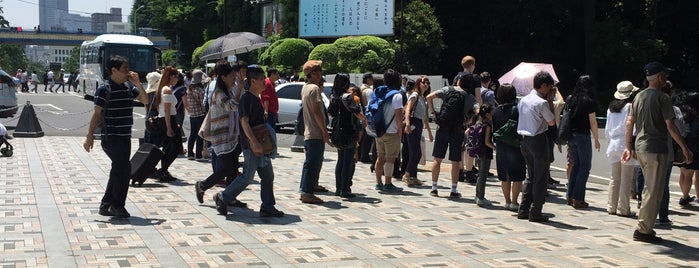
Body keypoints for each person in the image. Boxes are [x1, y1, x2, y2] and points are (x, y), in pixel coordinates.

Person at [622, 62, 692, 243]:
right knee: (654, 191)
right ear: (659, 77)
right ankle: (643, 230)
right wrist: (684, 148)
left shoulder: (638, 97)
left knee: (649, 189)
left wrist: (628, 146)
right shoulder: (663, 98)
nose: (666, 78)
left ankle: (646, 227)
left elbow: (629, 123)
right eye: (664, 75)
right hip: (656, 148)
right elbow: (671, 126)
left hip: (641, 147)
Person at [213, 65, 284, 218]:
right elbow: (244, 121)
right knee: (247, 177)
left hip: (261, 144)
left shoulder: (255, 98)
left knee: (268, 176)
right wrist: (254, 142)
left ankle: (267, 206)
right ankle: (222, 197)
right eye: (261, 79)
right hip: (252, 145)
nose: (265, 82)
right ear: (253, 81)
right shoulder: (247, 99)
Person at [83, 55, 149, 218]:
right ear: (114, 70)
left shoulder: (128, 87)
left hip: (125, 136)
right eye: (125, 69)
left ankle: (106, 205)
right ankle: (117, 205)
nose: (128, 71)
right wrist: (89, 136)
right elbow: (96, 114)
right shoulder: (104, 89)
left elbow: (145, 100)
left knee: (118, 170)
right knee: (124, 169)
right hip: (110, 136)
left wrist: (138, 84)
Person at [196, 60, 246, 207]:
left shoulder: (230, 90)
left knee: (233, 168)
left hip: (233, 134)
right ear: (223, 77)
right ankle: (202, 185)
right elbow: (231, 106)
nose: (234, 78)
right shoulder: (218, 93)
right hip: (221, 136)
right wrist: (239, 90)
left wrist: (239, 88)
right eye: (232, 76)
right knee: (225, 168)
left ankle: (229, 197)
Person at [426, 74, 479, 199]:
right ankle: (453, 190)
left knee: (437, 159)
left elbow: (429, 97)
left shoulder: (447, 90)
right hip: (457, 130)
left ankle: (434, 188)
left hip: (442, 127)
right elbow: (478, 111)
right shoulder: (469, 97)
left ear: (459, 81)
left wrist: (434, 113)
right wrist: (468, 121)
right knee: (455, 161)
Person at [517, 71, 557, 223]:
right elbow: (552, 122)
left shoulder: (523, 100)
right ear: (544, 86)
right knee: (540, 178)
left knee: (530, 176)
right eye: (549, 87)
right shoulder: (542, 103)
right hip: (538, 139)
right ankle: (536, 211)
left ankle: (523, 209)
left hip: (523, 139)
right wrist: (551, 102)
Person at [328, 74, 366, 198]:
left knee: (340, 160)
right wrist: (365, 120)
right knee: (347, 162)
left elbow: (331, 112)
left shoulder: (333, 96)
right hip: (348, 132)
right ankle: (344, 189)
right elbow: (356, 112)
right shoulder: (347, 97)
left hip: (337, 132)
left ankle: (338, 189)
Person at [566, 75, 601, 209]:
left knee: (575, 165)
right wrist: (596, 139)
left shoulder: (571, 99)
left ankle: (570, 195)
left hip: (571, 136)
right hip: (583, 135)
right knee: (585, 167)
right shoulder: (589, 101)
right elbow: (593, 122)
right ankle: (578, 198)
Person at [299, 60, 332, 204]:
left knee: (310, 163)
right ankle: (307, 192)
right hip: (315, 132)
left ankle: (307, 188)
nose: (320, 74)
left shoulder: (306, 87)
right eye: (317, 71)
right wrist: (324, 131)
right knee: (313, 163)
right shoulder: (314, 89)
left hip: (309, 131)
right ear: (311, 74)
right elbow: (317, 112)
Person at [605, 81, 639, 217]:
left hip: (613, 144)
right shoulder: (630, 107)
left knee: (615, 178)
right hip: (625, 144)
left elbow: (607, 130)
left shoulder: (610, 108)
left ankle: (611, 206)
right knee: (626, 178)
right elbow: (633, 129)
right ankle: (623, 208)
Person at [492, 84, 525, 211]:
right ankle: (515, 202)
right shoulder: (517, 109)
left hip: (500, 145)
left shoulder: (495, 111)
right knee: (518, 175)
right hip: (515, 145)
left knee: (504, 175)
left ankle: (507, 201)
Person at [372, 69, 405, 193]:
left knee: (380, 158)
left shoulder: (377, 92)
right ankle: (388, 183)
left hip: (378, 130)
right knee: (390, 159)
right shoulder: (397, 95)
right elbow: (398, 115)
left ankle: (378, 183)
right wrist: (400, 131)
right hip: (392, 132)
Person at [152, 67, 183, 182]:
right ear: (171, 77)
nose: (177, 79)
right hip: (167, 120)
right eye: (176, 77)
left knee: (168, 147)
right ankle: (163, 169)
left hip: (164, 120)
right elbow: (167, 110)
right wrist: (169, 127)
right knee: (175, 146)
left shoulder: (163, 88)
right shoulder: (167, 90)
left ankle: (164, 170)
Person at [402, 76, 432, 186]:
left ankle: (413, 177)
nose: (426, 84)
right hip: (413, 123)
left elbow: (424, 117)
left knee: (415, 152)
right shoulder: (414, 95)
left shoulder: (422, 98)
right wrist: (408, 124)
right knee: (416, 153)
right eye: (424, 82)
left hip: (418, 124)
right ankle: (407, 175)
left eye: (428, 83)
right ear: (418, 83)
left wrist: (429, 131)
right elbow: (408, 110)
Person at [472, 104, 496, 206]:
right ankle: (480, 197)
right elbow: (487, 142)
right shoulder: (488, 125)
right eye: (491, 112)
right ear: (487, 114)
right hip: (485, 152)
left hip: (478, 151)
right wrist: (495, 147)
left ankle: (478, 195)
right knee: (483, 175)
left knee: (480, 175)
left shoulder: (478, 122)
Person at [679, 92, 699, 206]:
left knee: (683, 172)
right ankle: (686, 197)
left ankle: (684, 196)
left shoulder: (683, 113)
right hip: (695, 148)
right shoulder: (697, 116)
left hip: (683, 146)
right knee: (694, 174)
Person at [185, 69, 206, 161]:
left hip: (192, 115)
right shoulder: (200, 90)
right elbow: (203, 104)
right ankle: (198, 155)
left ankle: (190, 153)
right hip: (200, 114)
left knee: (192, 134)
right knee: (200, 135)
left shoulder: (190, 88)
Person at [261, 67, 280, 156]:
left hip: (272, 112)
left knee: (271, 131)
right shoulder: (267, 83)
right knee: (270, 132)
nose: (278, 77)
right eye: (276, 74)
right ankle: (269, 150)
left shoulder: (271, 83)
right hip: (269, 112)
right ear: (272, 74)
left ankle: (271, 150)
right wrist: (266, 111)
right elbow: (266, 98)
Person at [359, 73, 375, 163]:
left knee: (362, 135)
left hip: (361, 113)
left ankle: (361, 154)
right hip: (367, 114)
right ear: (368, 79)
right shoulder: (369, 91)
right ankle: (364, 156)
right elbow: (370, 104)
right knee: (368, 136)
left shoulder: (361, 88)